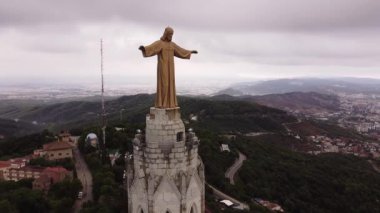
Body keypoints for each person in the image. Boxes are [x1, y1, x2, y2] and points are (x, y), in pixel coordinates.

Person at [139, 27, 198, 108]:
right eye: (170, 34)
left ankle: (170, 103)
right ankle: (161, 103)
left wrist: (190, 52)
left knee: (170, 84)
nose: (171, 36)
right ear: (166, 34)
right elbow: (151, 48)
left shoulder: (172, 45)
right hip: (163, 66)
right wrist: (144, 49)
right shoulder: (159, 43)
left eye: (172, 34)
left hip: (171, 67)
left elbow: (180, 51)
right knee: (165, 84)